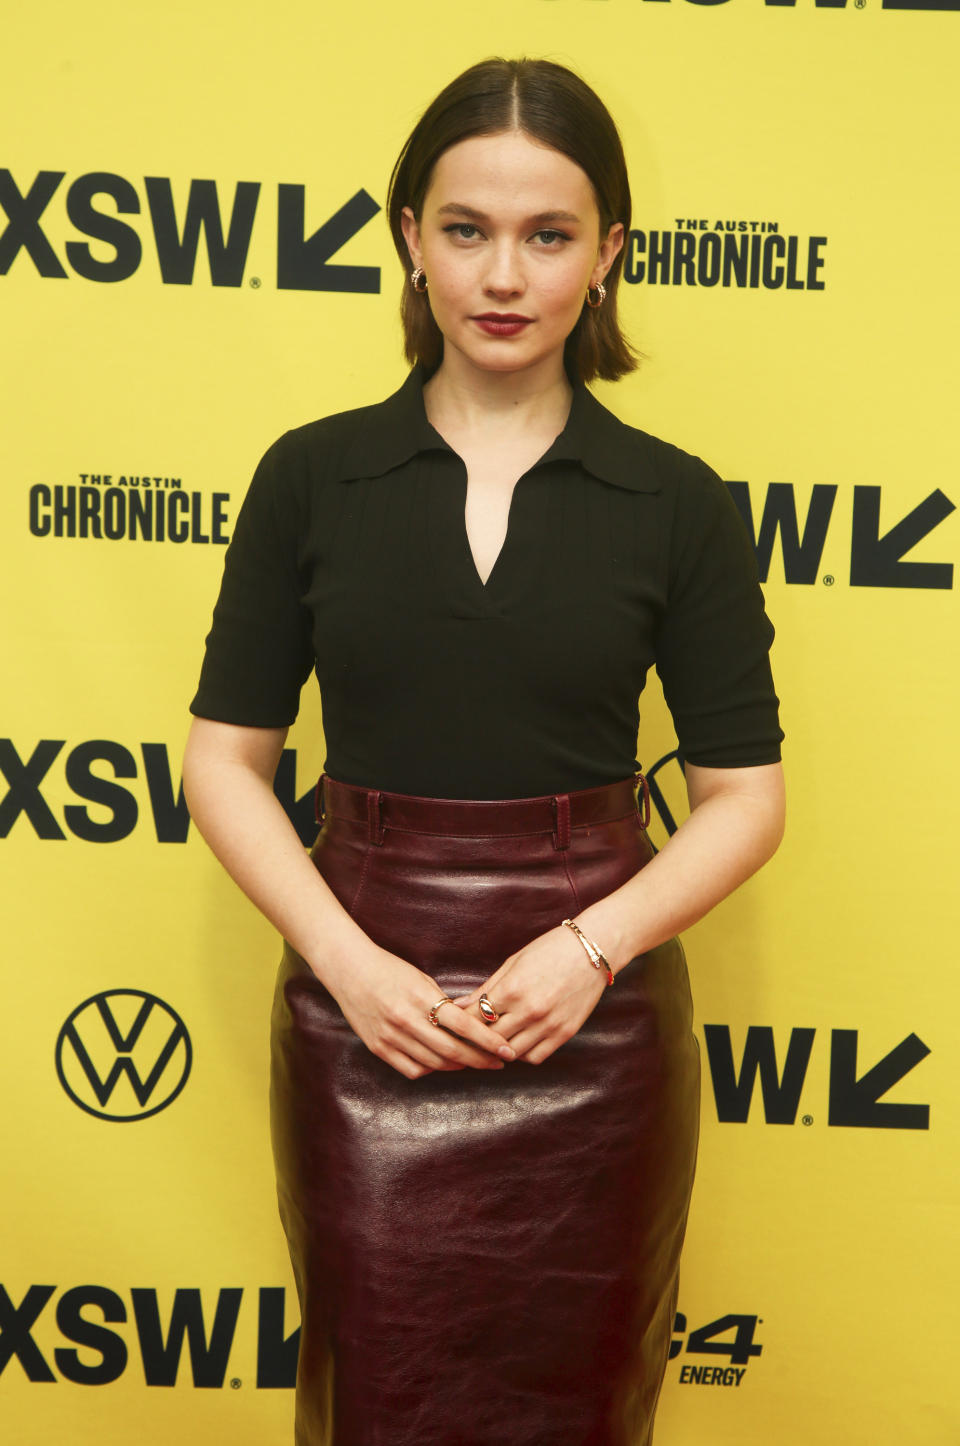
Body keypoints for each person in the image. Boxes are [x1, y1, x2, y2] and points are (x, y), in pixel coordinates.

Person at [183, 56, 784, 1446]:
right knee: (375, 1401)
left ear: (609, 253)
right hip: (362, 1004)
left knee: (585, 1406)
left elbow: (745, 800)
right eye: (466, 229)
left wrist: (590, 951)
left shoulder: (677, 503)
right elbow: (224, 762)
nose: (502, 274)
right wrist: (350, 966)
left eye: (548, 234)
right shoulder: (311, 477)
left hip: (596, 1021)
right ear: (409, 238)